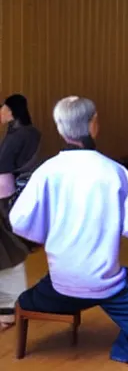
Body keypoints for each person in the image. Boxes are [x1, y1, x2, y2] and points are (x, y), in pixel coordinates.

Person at [9, 96, 128, 370]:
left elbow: (20, 220)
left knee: (27, 299)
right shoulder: (113, 172)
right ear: (94, 124)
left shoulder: (47, 171)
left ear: (60, 129)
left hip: (60, 285)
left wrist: (46, 233)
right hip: (104, 285)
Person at [0, 94, 41, 330]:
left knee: (8, 247)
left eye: (3, 109)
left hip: (5, 189)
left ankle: (8, 310)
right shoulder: (28, 131)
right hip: (12, 186)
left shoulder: (19, 135)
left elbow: (3, 163)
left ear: (11, 111)